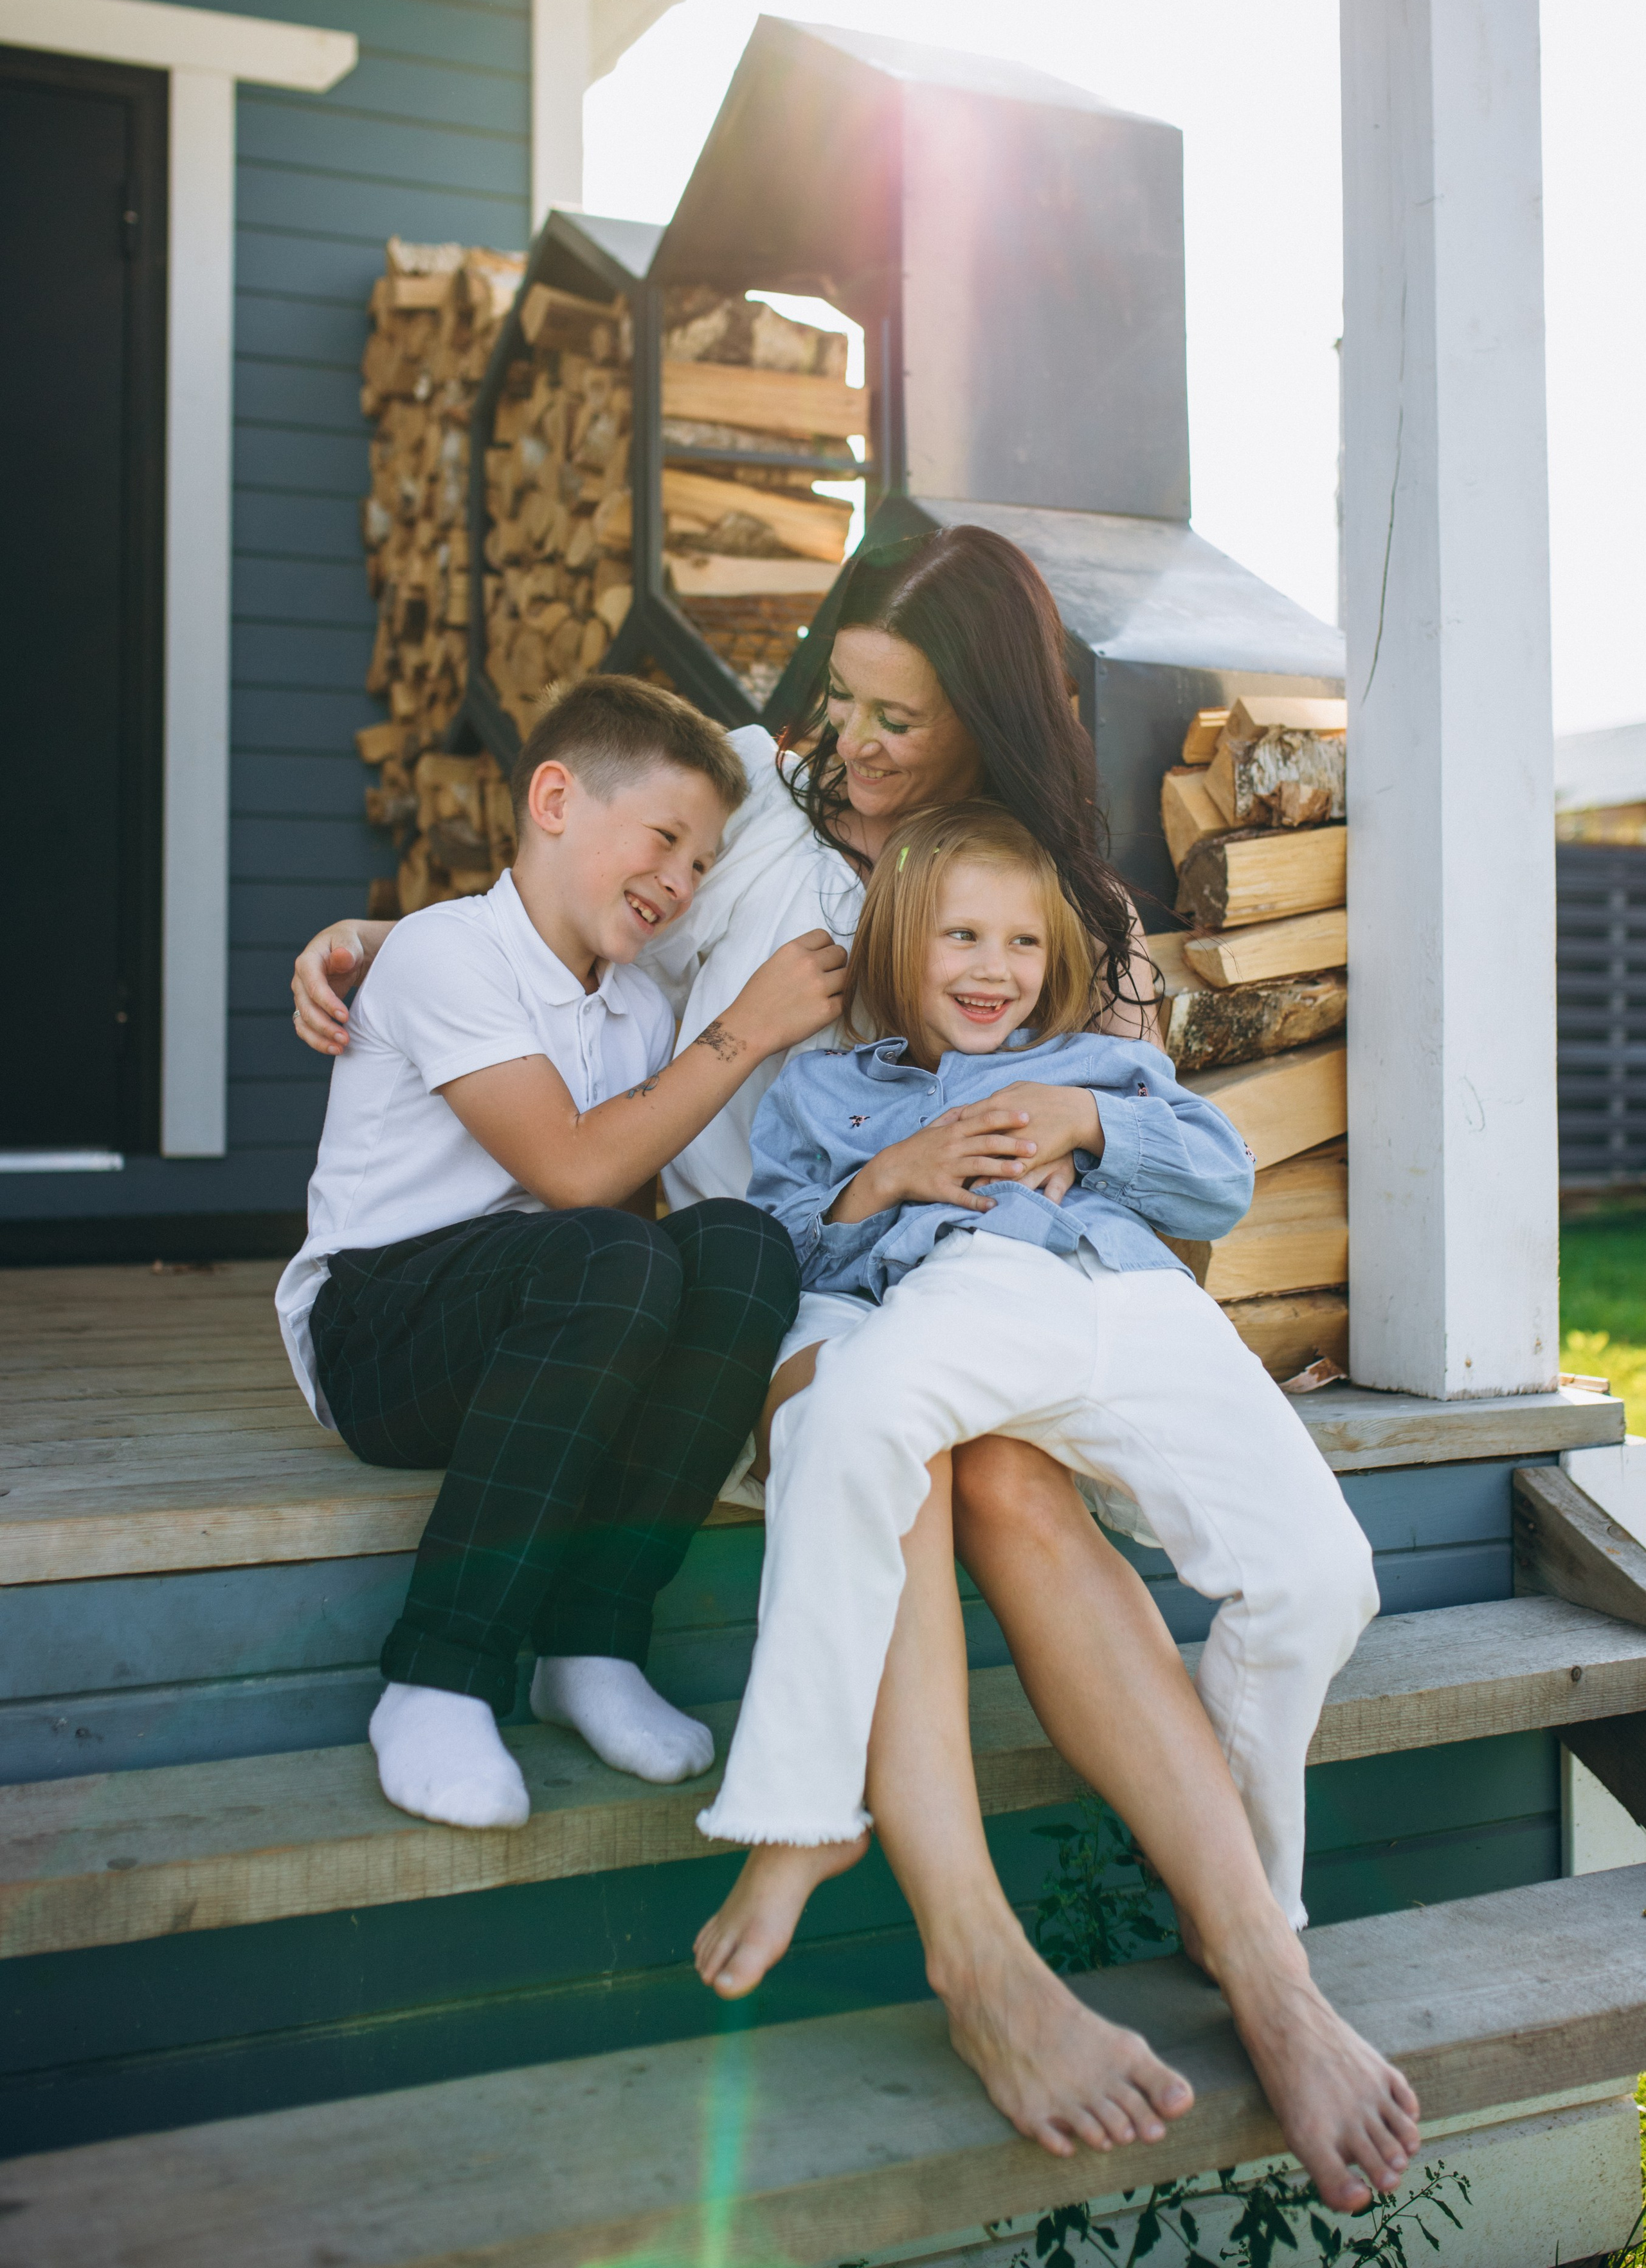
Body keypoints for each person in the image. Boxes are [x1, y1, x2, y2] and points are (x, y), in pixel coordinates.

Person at [291, 528, 1418, 2204]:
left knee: (1020, 1479)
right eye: (846, 699)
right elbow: (583, 895)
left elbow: (1159, 1190)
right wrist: (382, 943)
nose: (856, 745)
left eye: (904, 719)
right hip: (752, 1289)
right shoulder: (748, 792)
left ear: (987, 722)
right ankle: (979, 1962)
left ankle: (1264, 1962)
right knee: (908, 1443)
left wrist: (1069, 1153)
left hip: (993, 1306)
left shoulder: (1043, 900)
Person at [693, 804, 1415, 2209]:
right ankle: (797, 1806)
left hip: (1127, 1300)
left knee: (1321, 1575)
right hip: (960, 1296)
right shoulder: (825, 1091)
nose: (992, 966)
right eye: (960, 935)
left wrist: (1090, 1116)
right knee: (851, 1417)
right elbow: (768, 1248)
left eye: (1020, 942)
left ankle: (1255, 1914)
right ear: (898, 946)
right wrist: (883, 1178)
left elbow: (1214, 1171)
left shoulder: (1094, 1061)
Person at [276, 675, 844, 1830]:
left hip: (537, 1321)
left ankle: (592, 1643)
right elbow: (578, 1174)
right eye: (665, 841)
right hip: (374, 1332)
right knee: (609, 1251)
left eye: (702, 865)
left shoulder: (633, 1006)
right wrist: (749, 1027)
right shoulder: (447, 956)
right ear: (553, 799)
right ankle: (439, 1673)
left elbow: (621, 1201)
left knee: (741, 1248)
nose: (681, 884)